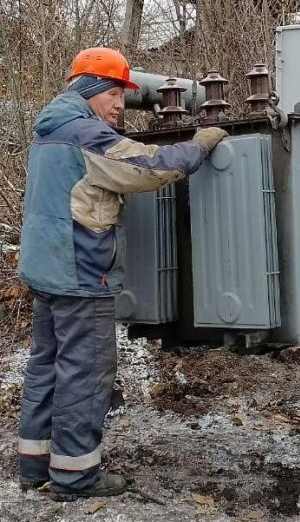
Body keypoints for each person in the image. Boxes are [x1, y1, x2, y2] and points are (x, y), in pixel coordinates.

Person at [17, 47, 228, 502]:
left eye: (124, 97)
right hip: (79, 274)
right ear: (90, 90)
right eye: (113, 94)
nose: (119, 105)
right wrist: (202, 143)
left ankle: (35, 464)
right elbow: (152, 168)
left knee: (47, 367)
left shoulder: (50, 128)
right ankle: (76, 476)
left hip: (45, 270)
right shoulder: (86, 134)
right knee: (85, 373)